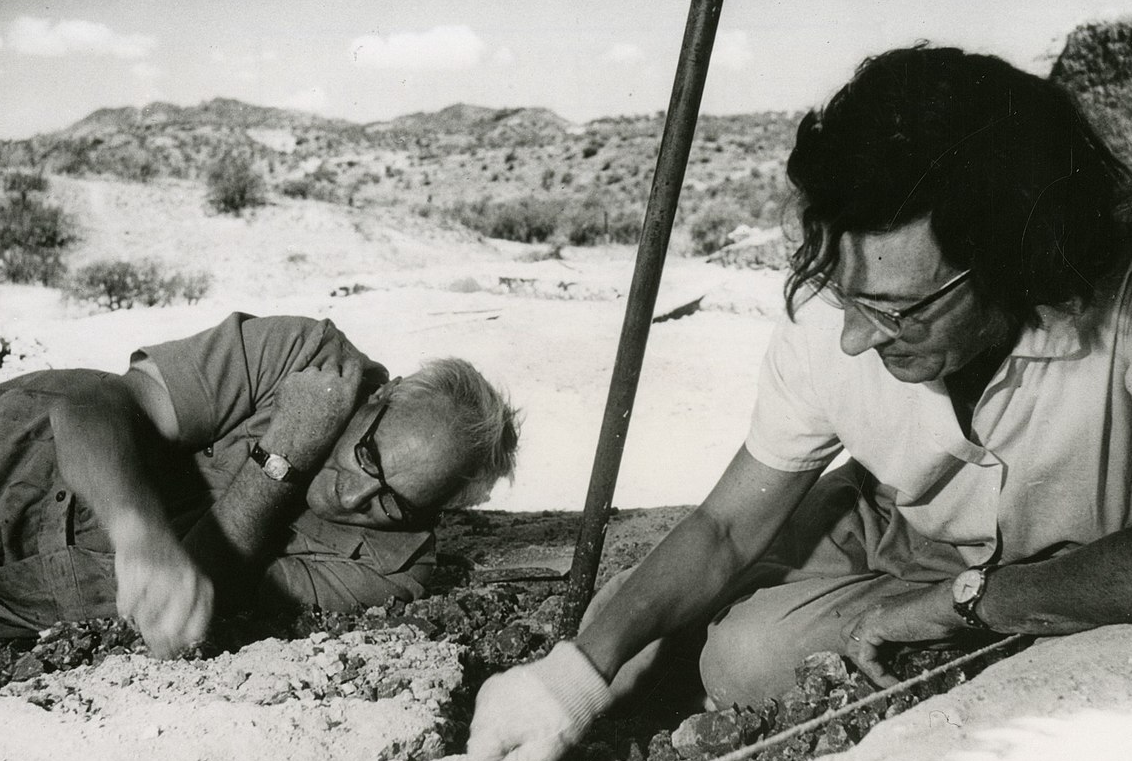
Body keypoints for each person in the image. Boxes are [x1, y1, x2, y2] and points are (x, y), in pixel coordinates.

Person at [467, 44, 1132, 760]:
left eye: (898, 312)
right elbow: (725, 527)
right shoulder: (835, 305)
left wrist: (964, 601)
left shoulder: (1118, 311)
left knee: (746, 656)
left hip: (1080, 560)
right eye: (846, 297)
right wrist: (568, 683)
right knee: (657, 633)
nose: (851, 337)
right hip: (900, 522)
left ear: (1017, 259)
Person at [0, 311, 519, 658]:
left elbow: (199, 588)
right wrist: (136, 530)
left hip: (27, 597)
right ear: (381, 396)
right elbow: (91, 403)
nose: (354, 494)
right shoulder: (304, 353)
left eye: (394, 503)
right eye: (369, 455)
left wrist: (287, 449)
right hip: (22, 453)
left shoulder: (393, 568)